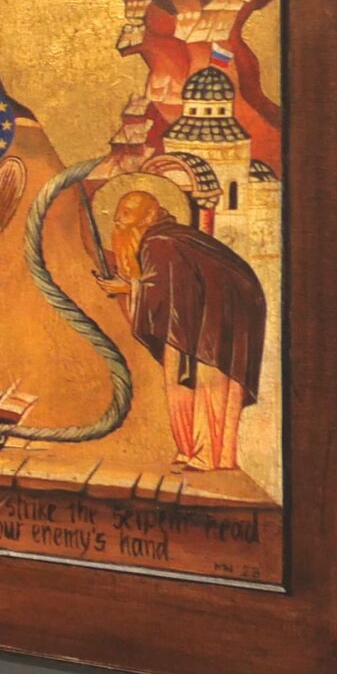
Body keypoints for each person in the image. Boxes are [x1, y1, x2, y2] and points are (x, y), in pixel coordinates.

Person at [98, 189, 267, 472]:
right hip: (211, 317)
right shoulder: (171, 238)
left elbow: (163, 290)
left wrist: (128, 288)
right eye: (117, 213)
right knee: (191, 380)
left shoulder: (160, 242)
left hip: (211, 321)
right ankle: (200, 452)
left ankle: (205, 454)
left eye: (126, 213)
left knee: (204, 382)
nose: (118, 219)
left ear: (149, 216)